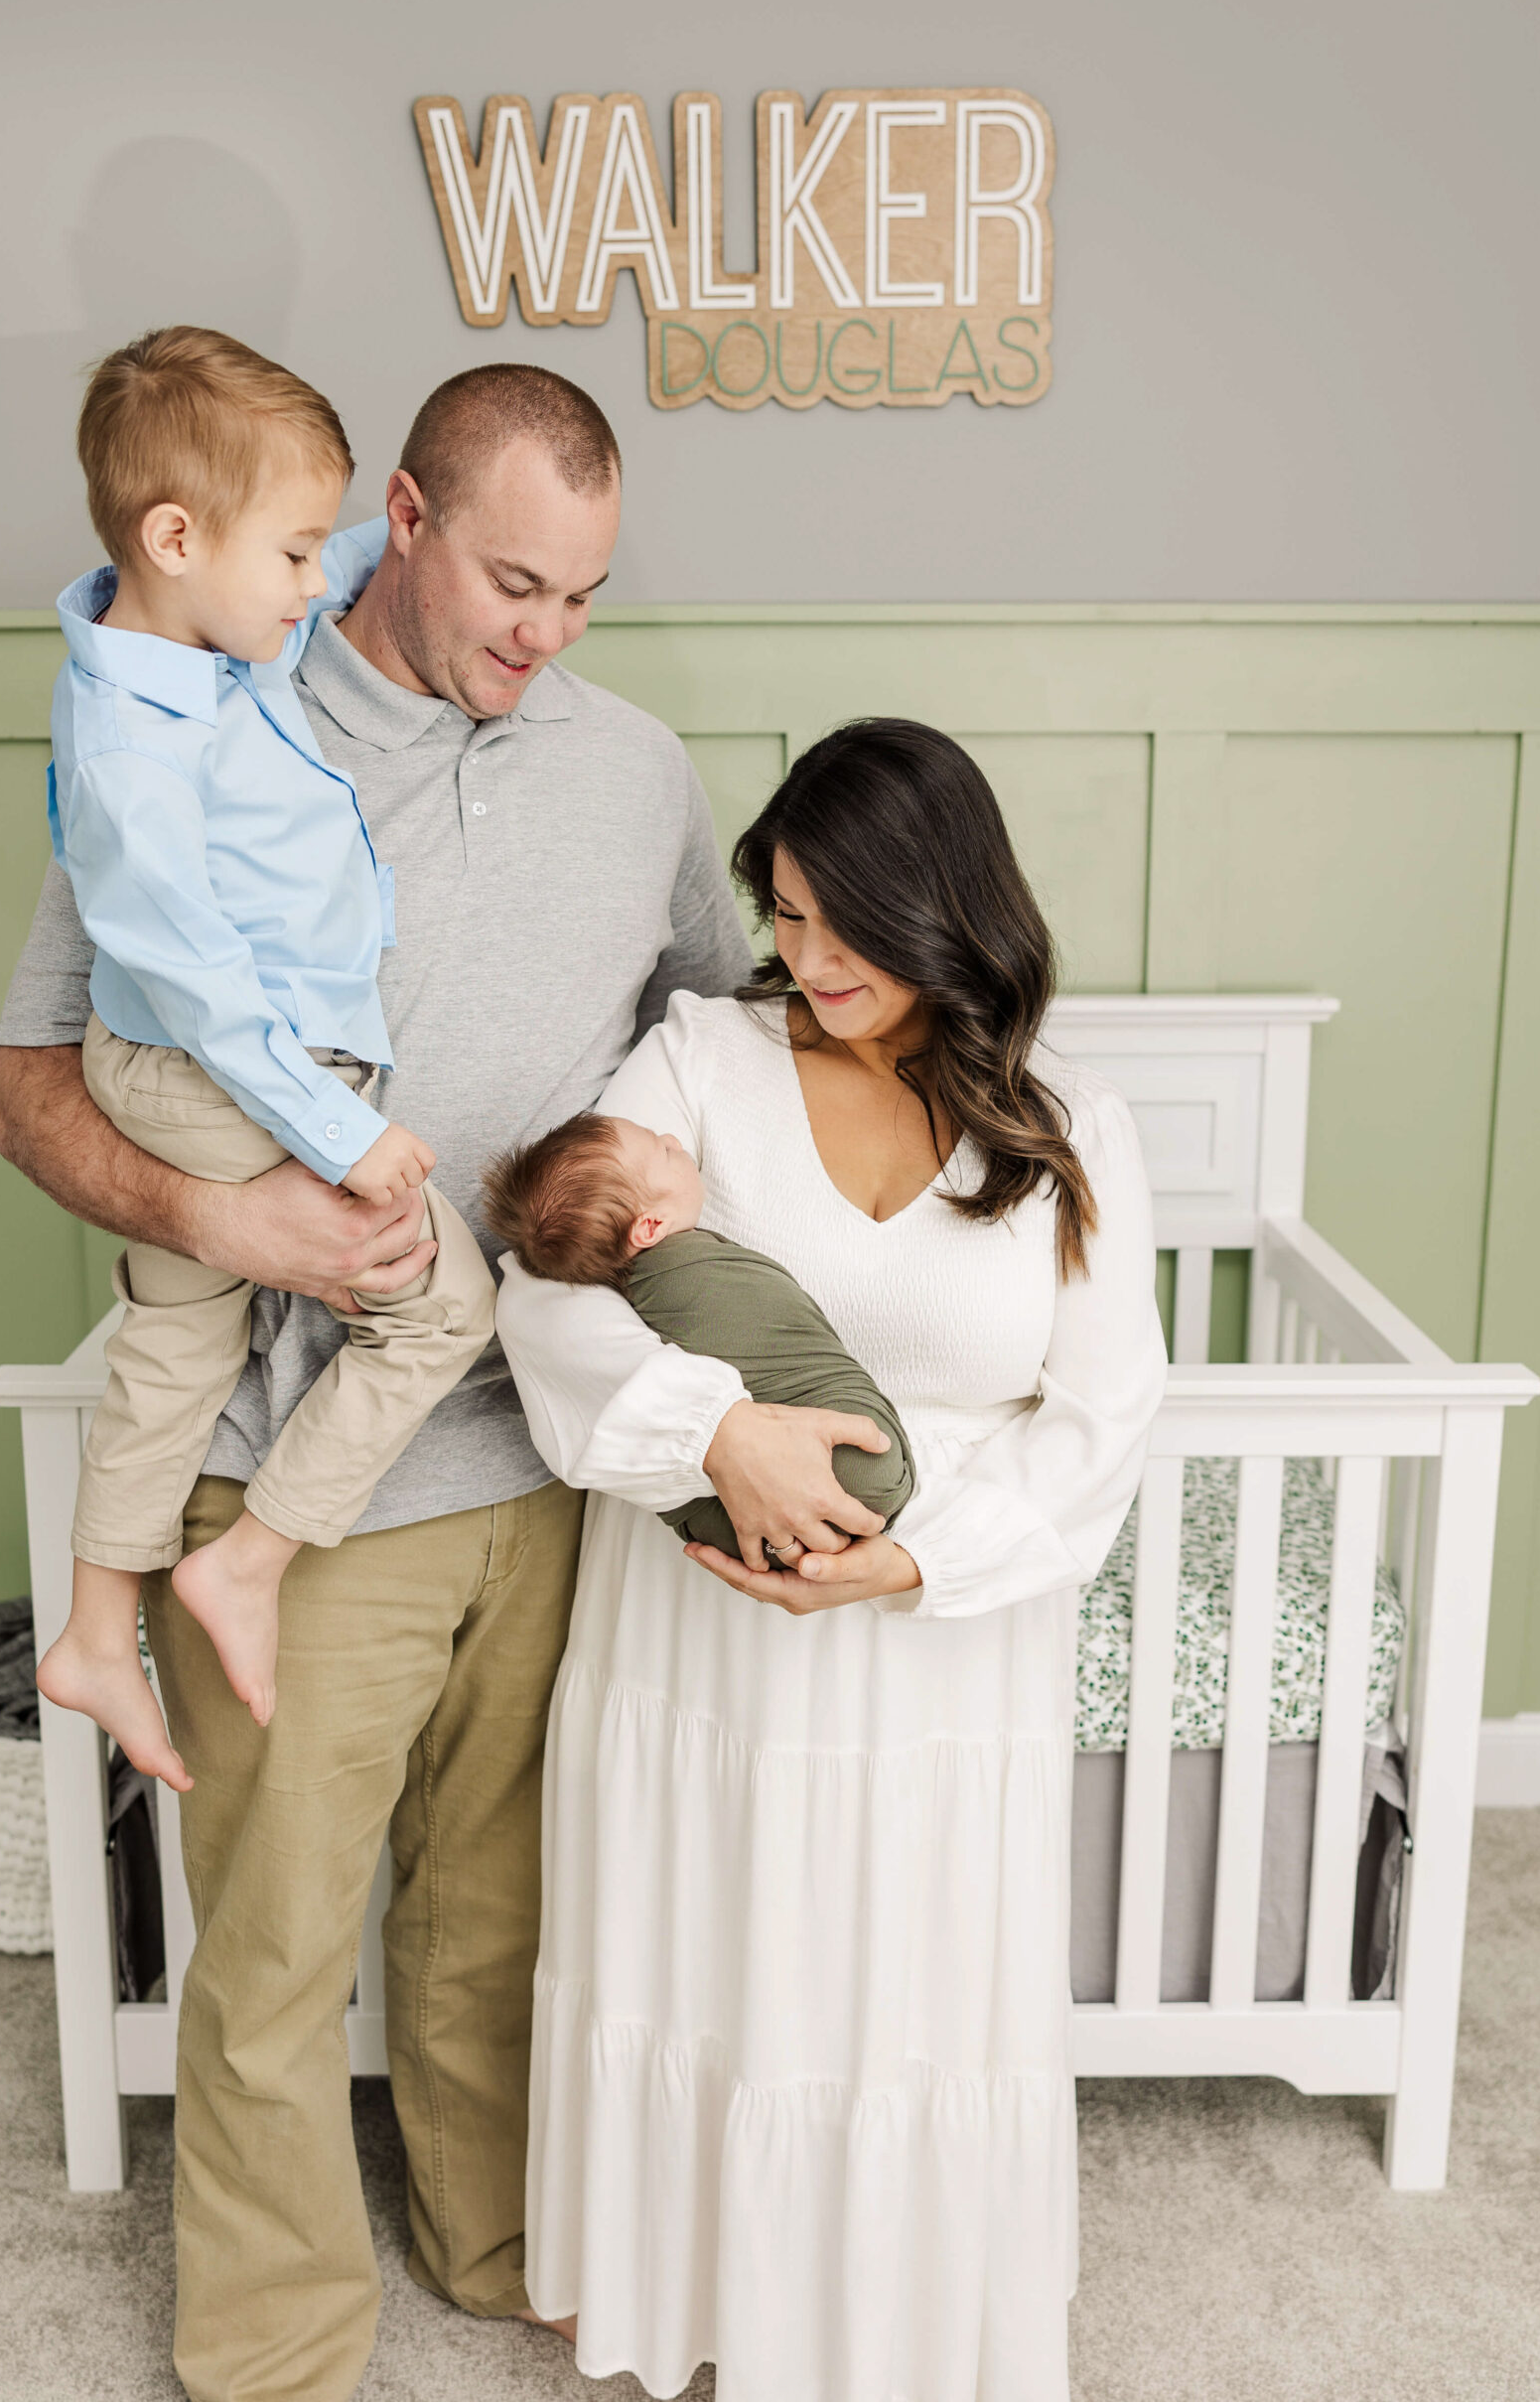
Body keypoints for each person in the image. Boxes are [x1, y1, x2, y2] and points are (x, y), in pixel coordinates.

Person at [0, 362, 754, 2401]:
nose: (542, 633)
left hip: (548, 1454)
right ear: (400, 518)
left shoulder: (638, 770)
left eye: (582, 596)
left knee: (500, 1921)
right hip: (293, 1476)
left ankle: (490, 2241)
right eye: (513, 578)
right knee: (270, 1956)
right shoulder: (221, 704)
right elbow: (29, 1080)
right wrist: (226, 1223)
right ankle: (275, 2352)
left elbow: (712, 1052)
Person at [495, 718, 1171, 2402]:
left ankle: (892, 2321)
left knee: (907, 1990)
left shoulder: (1067, 1116)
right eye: (782, 916)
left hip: (940, 1643)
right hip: (701, 1628)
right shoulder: (700, 1061)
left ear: (942, 905)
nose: (806, 961)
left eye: (841, 923)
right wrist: (710, 1436)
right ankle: (691, 2286)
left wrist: (912, 1565)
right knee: (703, 1953)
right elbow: (543, 1293)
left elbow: (1104, 1414)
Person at [35, 327, 494, 1785]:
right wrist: (338, 1131)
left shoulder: (197, 626)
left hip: (196, 1057)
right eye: (295, 557)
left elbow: (332, 558)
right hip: (213, 1066)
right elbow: (202, 985)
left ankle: (96, 1628)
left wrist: (396, 535)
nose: (317, 588)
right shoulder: (132, 752)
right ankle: (250, 1562)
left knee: (174, 1344)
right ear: (177, 537)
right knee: (435, 1309)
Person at [482, 1106, 915, 1560]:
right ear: (651, 1226)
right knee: (865, 1467)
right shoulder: (679, 1274)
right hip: (852, 1464)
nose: (674, 1138)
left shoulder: (627, 1284)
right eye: (664, 1150)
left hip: (740, 1529)